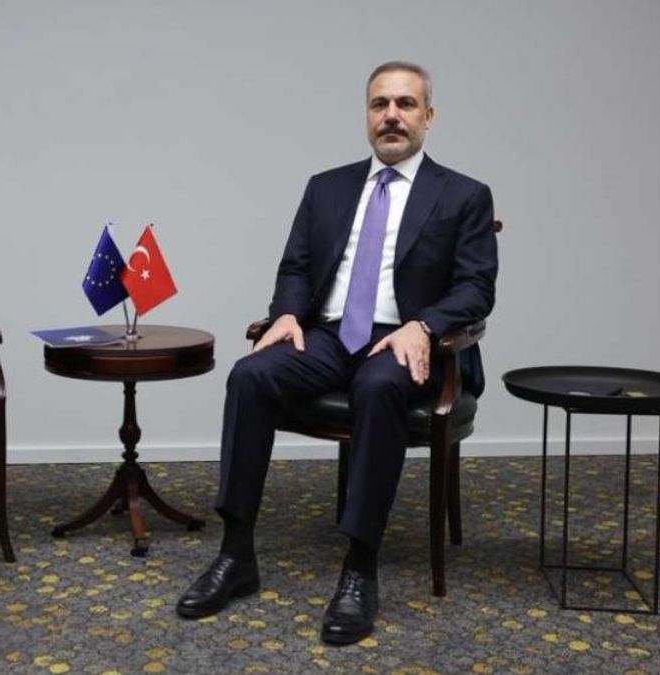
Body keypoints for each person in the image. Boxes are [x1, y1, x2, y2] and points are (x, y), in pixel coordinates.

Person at [176, 62, 498, 645]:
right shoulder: (326, 187)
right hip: (327, 337)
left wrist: (424, 325)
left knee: (378, 385)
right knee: (250, 376)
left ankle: (359, 568)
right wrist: (286, 314)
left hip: (405, 340)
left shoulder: (464, 195)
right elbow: (296, 266)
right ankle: (236, 554)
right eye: (379, 105)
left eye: (405, 104)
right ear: (367, 115)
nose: (391, 116)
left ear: (429, 116)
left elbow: (476, 288)